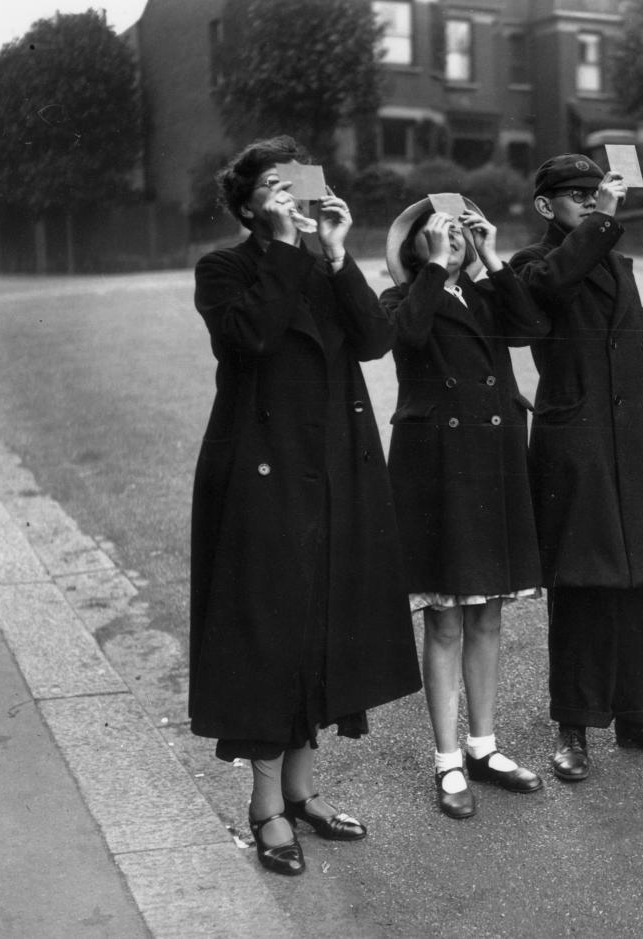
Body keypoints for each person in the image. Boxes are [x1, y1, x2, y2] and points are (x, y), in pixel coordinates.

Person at [190, 136, 421, 876]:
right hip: (262, 474)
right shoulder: (224, 269)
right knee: (268, 634)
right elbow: (250, 337)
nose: (289, 196)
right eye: (272, 186)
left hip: (332, 471)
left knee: (320, 621)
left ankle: (301, 792)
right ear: (247, 202)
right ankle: (264, 808)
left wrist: (335, 253)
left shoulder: (319, 262)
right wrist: (288, 249)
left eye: (298, 185)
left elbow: (377, 338)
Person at [511, 154, 643, 781]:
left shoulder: (616, 258)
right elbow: (549, 290)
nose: (593, 201)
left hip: (638, 435)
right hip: (582, 440)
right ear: (546, 206)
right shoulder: (530, 264)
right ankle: (574, 727)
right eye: (577, 194)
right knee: (585, 585)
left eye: (598, 192)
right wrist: (605, 221)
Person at [381, 197, 550, 819]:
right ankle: (448, 759)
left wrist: (492, 257)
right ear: (416, 247)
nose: (452, 241)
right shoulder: (400, 300)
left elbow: (532, 327)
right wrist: (433, 270)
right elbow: (409, 338)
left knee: (488, 614)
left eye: (459, 233)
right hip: (439, 470)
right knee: (447, 618)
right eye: (440, 234)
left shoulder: (482, 297)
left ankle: (484, 746)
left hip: (493, 459)